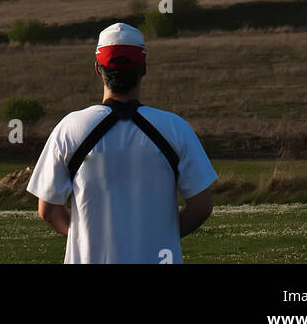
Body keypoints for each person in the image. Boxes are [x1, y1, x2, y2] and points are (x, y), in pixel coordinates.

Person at [27, 21, 217, 264]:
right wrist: (159, 238)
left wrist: (85, 238)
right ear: (144, 67)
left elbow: (49, 210)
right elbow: (201, 207)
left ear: (98, 68)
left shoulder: (70, 128)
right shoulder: (175, 128)